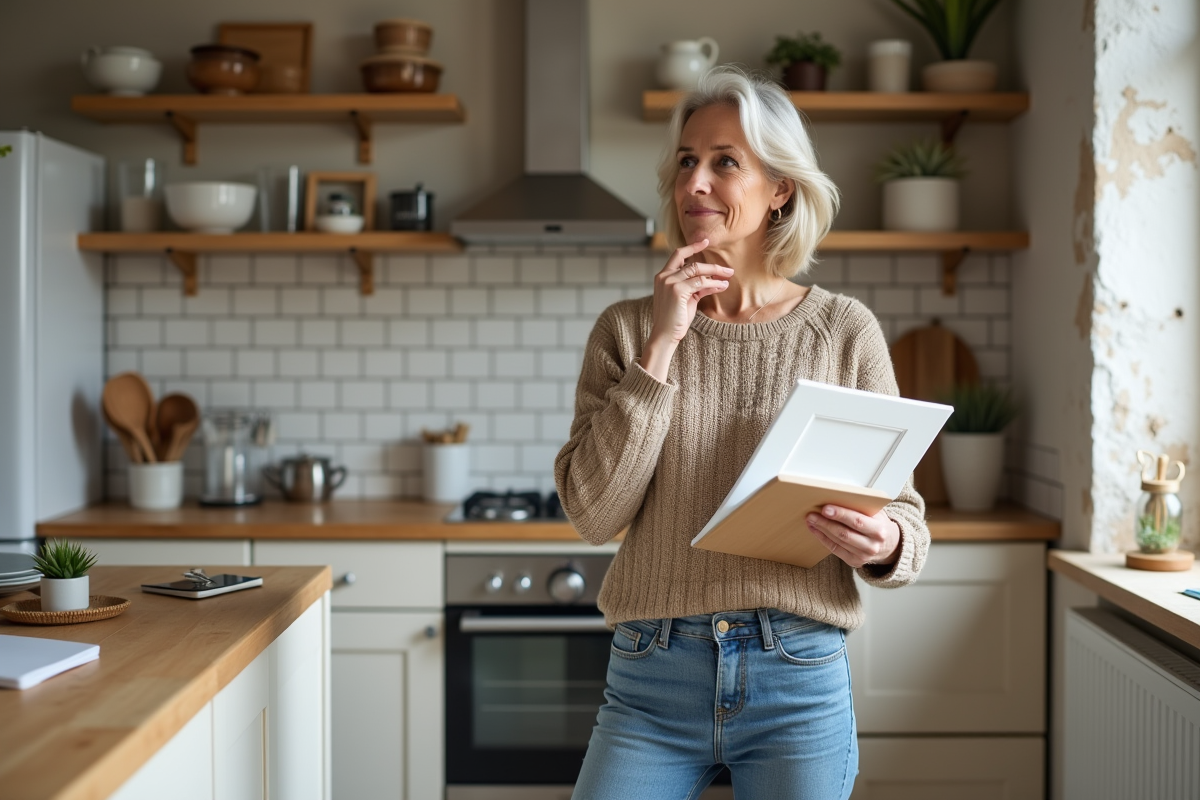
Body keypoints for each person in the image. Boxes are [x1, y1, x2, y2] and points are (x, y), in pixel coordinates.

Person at [554, 67, 931, 800]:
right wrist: (663, 349)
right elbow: (592, 514)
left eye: (725, 161)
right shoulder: (628, 329)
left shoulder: (843, 330)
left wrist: (883, 545)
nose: (696, 182)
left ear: (780, 188)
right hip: (651, 675)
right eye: (687, 161)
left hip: (797, 674)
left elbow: (906, 519)